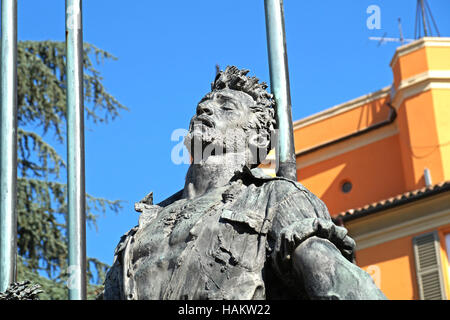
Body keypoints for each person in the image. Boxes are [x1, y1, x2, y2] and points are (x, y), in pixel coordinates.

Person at [103, 66, 386, 300]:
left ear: (259, 139)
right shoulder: (142, 228)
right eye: (204, 104)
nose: (205, 108)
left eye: (226, 108)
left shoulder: (277, 198)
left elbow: (337, 281)